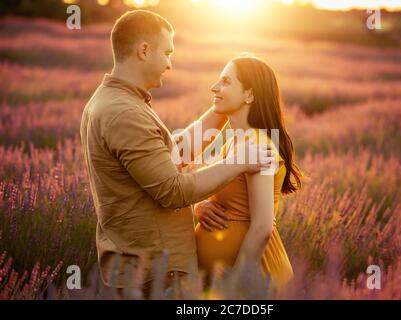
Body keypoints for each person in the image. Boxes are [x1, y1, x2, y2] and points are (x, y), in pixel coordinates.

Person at [79, 10, 273, 299]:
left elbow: (172, 155)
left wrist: (222, 108)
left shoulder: (118, 101)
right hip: (153, 272)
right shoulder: (124, 113)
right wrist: (239, 161)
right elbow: (171, 190)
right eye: (167, 52)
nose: (170, 63)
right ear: (144, 50)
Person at [195, 55, 303, 290]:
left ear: (249, 94)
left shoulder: (258, 146)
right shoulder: (233, 143)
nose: (215, 87)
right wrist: (200, 206)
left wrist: (235, 282)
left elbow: (263, 226)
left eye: (225, 81)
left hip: (254, 279)